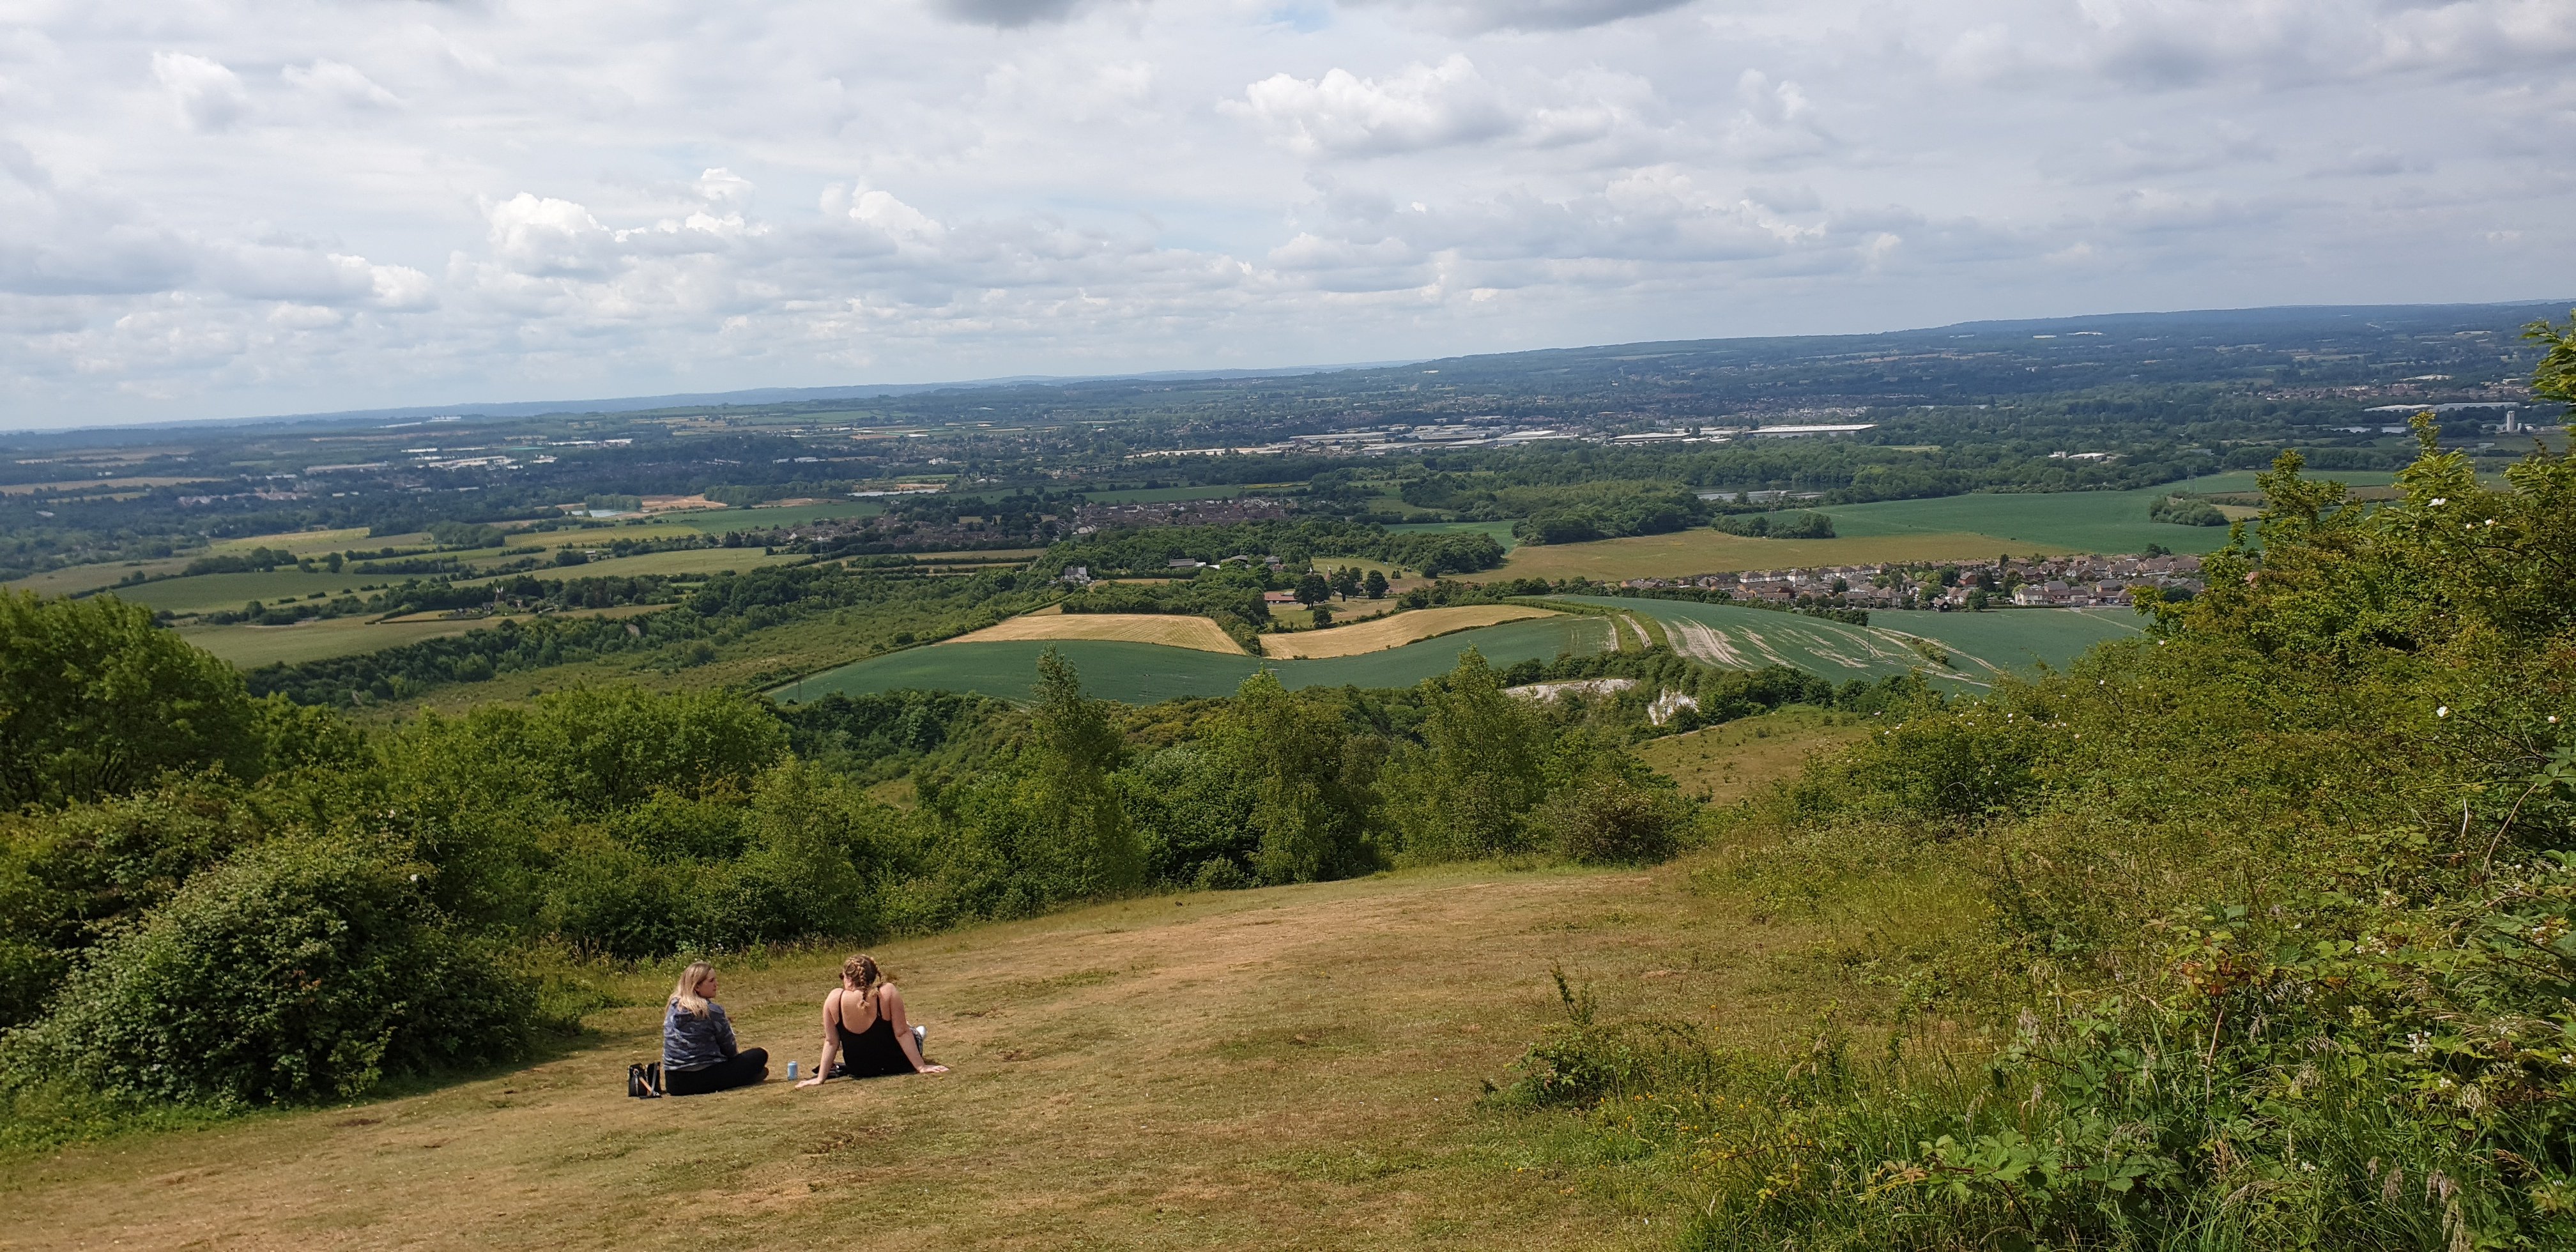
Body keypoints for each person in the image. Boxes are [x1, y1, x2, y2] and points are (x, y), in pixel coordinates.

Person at [797, 954, 946, 1087]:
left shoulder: (834, 999)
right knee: (908, 1028)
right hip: (897, 1064)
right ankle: (919, 1033)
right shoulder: (887, 992)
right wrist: (921, 1067)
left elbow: (831, 1042)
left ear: (848, 979)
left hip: (861, 1069)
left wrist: (820, 1078)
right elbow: (901, 1033)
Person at [661, 961, 769, 1096]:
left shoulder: (672, 1007)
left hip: (675, 1083)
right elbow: (731, 1051)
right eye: (711, 981)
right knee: (759, 1055)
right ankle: (746, 1077)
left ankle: (745, 1077)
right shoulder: (712, 1011)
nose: (716, 984)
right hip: (706, 1076)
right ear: (697, 987)